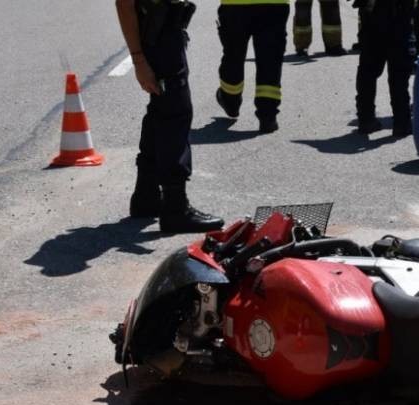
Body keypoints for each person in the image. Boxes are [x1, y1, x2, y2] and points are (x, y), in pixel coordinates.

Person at [115, 0, 224, 233]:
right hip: (160, 37)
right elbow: (124, 3)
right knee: (176, 113)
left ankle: (147, 196)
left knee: (160, 111)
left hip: (166, 33)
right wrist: (138, 59)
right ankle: (176, 208)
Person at [215, 0, 290, 133]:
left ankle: (230, 101)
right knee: (270, 59)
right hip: (275, 5)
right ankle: (268, 116)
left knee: (233, 55)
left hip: (234, 5)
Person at [354, 0, 416, 137]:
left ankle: (366, 119)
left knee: (368, 71)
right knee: (398, 74)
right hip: (398, 18)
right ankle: (401, 123)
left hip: (373, 18)